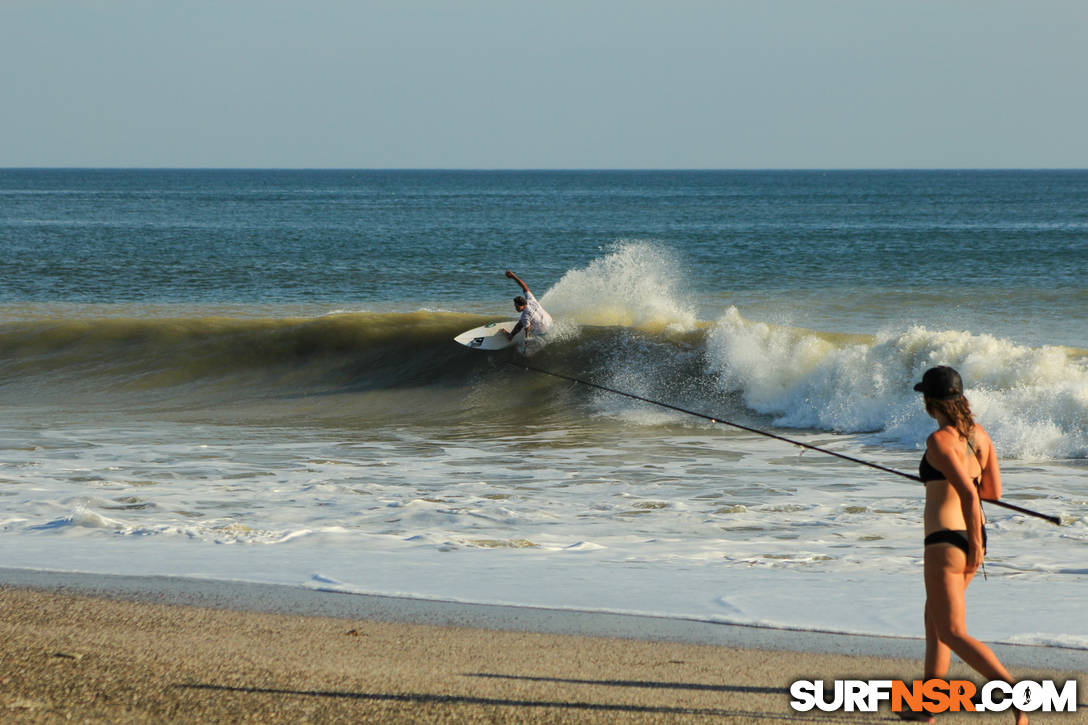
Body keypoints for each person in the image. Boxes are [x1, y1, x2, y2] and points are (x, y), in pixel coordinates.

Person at [904, 366, 1025, 724]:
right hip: (973, 539)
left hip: (946, 541)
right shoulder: (980, 437)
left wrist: (972, 543)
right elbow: (994, 493)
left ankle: (1016, 698)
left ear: (930, 401)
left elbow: (972, 497)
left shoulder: (938, 441)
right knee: (935, 620)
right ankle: (928, 706)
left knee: (952, 632)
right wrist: (977, 544)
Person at [503, 269, 553, 340]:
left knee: (521, 324)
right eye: (515, 306)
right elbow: (524, 286)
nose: (515, 308)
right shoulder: (530, 299)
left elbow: (527, 331)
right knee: (526, 321)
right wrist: (513, 276)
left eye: (517, 307)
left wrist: (526, 343)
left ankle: (510, 337)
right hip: (550, 322)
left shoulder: (525, 316)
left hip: (543, 330)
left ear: (522, 305)